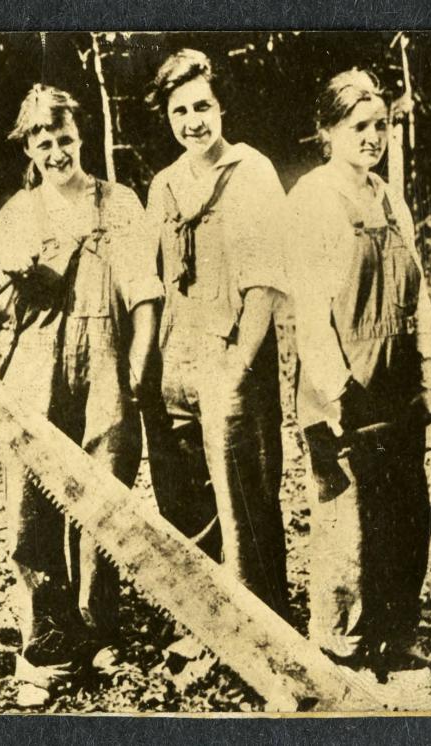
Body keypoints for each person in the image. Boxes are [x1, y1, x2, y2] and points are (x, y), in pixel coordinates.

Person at [0, 84, 160, 706]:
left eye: (64, 139)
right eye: (42, 142)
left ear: (80, 136)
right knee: (32, 504)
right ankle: (44, 641)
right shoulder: (18, 212)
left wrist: (140, 359)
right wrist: (17, 271)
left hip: (108, 357)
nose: (56, 152)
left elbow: (144, 293)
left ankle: (97, 632)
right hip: (35, 362)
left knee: (104, 492)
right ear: (28, 148)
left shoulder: (122, 203)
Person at [285, 69, 431, 674]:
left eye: (381, 125)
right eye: (359, 127)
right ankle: (342, 650)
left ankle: (398, 634)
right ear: (328, 131)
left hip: (398, 380)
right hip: (345, 387)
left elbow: (420, 290)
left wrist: (430, 368)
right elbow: (308, 307)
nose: (373, 137)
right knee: (348, 523)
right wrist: (339, 391)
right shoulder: (312, 198)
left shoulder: (388, 195)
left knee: (405, 514)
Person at [142, 49, 290, 618]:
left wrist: (239, 364)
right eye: (180, 112)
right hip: (177, 355)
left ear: (221, 106)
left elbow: (267, 283)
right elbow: (151, 277)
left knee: (243, 495)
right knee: (184, 493)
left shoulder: (251, 171)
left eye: (202, 106)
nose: (193, 121)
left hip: (234, 353)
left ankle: (262, 626)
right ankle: (208, 625)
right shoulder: (164, 185)